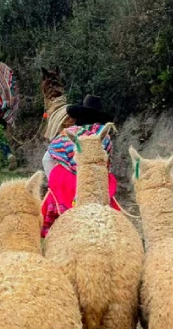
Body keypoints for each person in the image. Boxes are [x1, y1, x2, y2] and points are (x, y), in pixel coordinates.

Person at [41, 95, 121, 237]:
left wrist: (54, 181)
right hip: (96, 181)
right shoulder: (104, 135)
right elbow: (107, 161)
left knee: (60, 197)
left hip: (69, 184)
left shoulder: (69, 133)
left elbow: (47, 158)